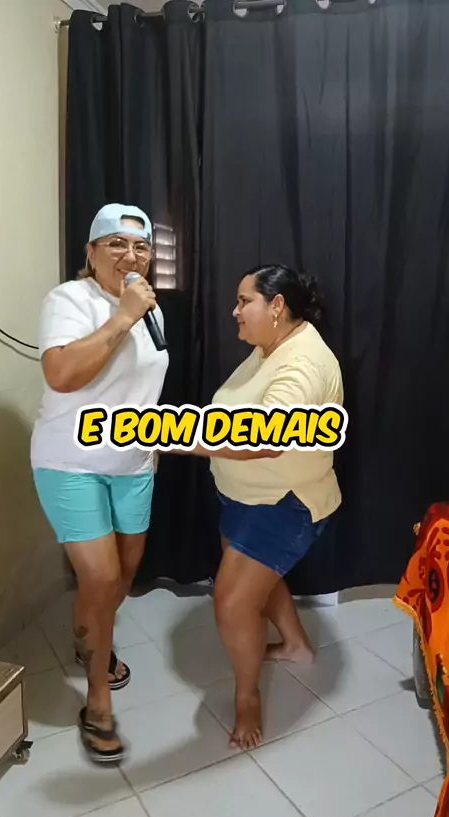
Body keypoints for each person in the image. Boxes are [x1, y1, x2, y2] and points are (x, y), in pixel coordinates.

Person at [172, 264, 343, 750]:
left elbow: (268, 436)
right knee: (253, 585)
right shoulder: (270, 345)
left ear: (277, 306)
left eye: (244, 301)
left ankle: (247, 698)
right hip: (248, 498)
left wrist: (183, 441)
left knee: (232, 602)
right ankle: (296, 646)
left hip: (284, 504)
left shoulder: (302, 363)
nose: (235, 311)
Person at [30, 203, 169, 764]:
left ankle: (91, 637)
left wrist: (150, 450)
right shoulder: (69, 300)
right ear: (90, 252)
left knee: (120, 580)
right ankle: (97, 701)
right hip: (70, 463)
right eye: (116, 244)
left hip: (133, 465)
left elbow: (142, 390)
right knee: (102, 576)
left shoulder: (154, 311)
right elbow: (62, 374)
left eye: (141, 246)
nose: (131, 256)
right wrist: (122, 318)